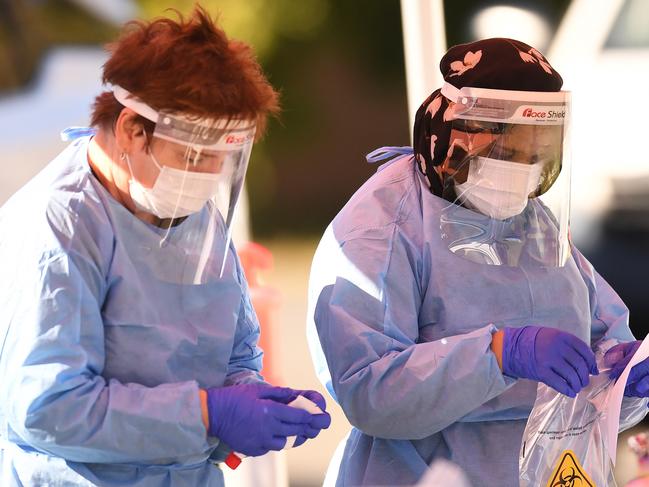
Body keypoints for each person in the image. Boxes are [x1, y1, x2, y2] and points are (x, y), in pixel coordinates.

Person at [0, 7, 330, 487]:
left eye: (224, 157)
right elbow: (49, 408)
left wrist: (251, 396)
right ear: (133, 130)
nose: (208, 176)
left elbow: (233, 348)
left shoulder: (186, 206)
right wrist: (205, 414)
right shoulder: (61, 227)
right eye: (196, 154)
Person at [306, 37, 649, 486]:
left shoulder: (532, 221)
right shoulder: (383, 229)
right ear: (458, 138)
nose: (522, 171)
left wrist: (622, 378)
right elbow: (371, 391)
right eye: (507, 154)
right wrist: (497, 355)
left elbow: (600, 339)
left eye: (535, 157)